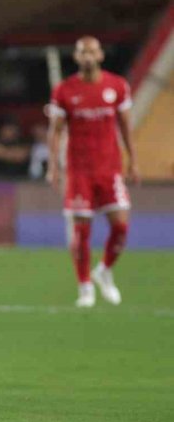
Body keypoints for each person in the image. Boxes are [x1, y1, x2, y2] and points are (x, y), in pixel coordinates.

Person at [47, 36, 139, 308]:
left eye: (92, 51)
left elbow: (125, 126)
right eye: (82, 52)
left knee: (121, 225)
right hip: (79, 171)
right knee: (81, 232)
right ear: (76, 58)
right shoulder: (64, 90)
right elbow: (56, 131)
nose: (87, 55)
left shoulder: (117, 86)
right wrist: (54, 166)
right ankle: (85, 286)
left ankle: (104, 270)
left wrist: (133, 160)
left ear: (100, 55)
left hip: (109, 168)